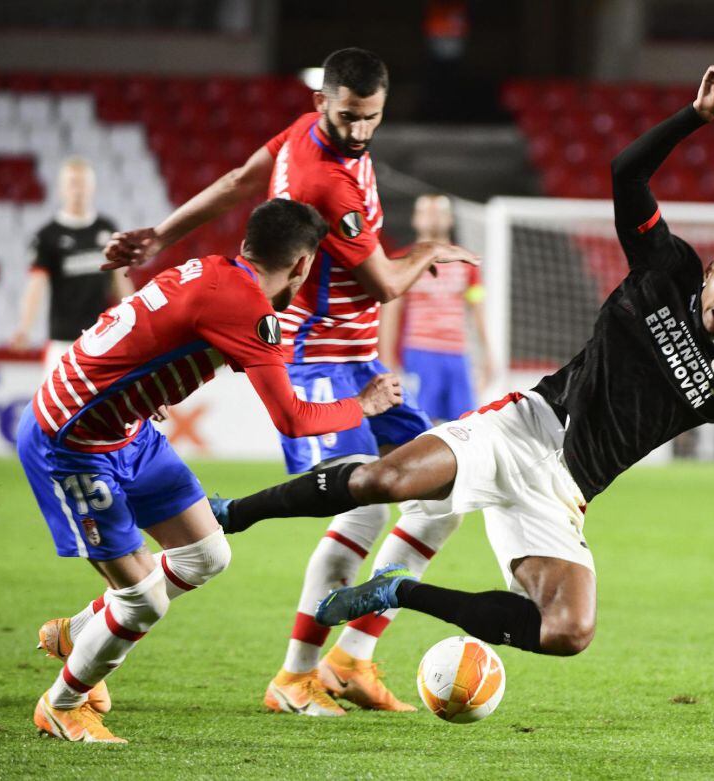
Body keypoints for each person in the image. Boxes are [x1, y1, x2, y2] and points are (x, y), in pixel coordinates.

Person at [212, 62, 714, 659]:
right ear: (711, 270)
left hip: (567, 491)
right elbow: (626, 174)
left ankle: (400, 593)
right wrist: (697, 117)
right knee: (384, 478)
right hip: (524, 427)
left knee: (569, 630)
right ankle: (230, 514)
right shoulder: (665, 267)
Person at [103, 48, 476, 716]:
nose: (360, 131)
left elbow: (237, 180)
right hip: (316, 360)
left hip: (359, 358)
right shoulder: (322, 176)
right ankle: (292, 676)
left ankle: (352, 657)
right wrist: (429, 250)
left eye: (371, 118)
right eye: (348, 116)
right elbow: (386, 284)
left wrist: (158, 234)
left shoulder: (306, 136)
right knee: (363, 505)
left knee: (447, 491)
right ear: (320, 102)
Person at [20, 199, 401, 742]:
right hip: (74, 441)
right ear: (301, 265)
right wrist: (362, 406)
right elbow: (293, 418)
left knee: (206, 554)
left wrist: (134, 387)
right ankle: (63, 702)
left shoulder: (208, 268)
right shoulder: (248, 309)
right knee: (142, 600)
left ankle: (81, 632)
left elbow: (133, 327)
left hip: (128, 429)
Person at [378, 193, 494, 423]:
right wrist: (386, 359)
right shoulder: (403, 260)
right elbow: (391, 312)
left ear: (450, 219)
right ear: (415, 219)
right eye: (425, 211)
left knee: (464, 424)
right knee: (421, 423)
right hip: (420, 351)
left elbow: (477, 309)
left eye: (438, 211)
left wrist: (487, 355)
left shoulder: (466, 263)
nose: (432, 217)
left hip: (457, 355)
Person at [11, 157, 133, 372]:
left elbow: (120, 278)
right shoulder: (48, 236)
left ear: (92, 187)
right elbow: (36, 285)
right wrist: (24, 326)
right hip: (63, 341)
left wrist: (134, 317)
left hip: (101, 338)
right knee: (56, 404)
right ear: (61, 189)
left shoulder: (107, 228)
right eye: (72, 183)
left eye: (83, 183)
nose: (78, 190)